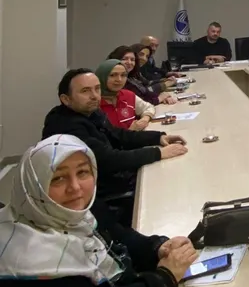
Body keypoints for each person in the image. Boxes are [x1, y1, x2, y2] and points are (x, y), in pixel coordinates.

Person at [0, 135, 198, 287]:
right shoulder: (30, 261)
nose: (75, 187)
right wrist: (165, 278)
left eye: (82, 172)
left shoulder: (71, 212)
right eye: (58, 178)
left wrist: (157, 248)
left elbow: (118, 235)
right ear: (33, 187)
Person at [42, 69, 188, 197]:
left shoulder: (90, 112)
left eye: (97, 89)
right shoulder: (66, 126)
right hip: (101, 192)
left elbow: (118, 135)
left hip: (116, 178)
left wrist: (158, 137)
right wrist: (158, 153)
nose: (94, 96)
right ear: (66, 99)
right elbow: (108, 160)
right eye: (85, 91)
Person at [96, 59, 155, 131]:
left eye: (123, 75)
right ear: (102, 76)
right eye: (112, 75)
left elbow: (148, 107)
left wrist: (145, 119)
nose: (119, 79)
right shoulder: (93, 103)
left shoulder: (128, 95)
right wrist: (130, 131)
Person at [108, 45, 177, 106]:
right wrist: (159, 98)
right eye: (124, 59)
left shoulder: (132, 77)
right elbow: (136, 103)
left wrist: (162, 96)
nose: (129, 62)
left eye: (132, 60)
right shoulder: (116, 81)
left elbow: (146, 91)